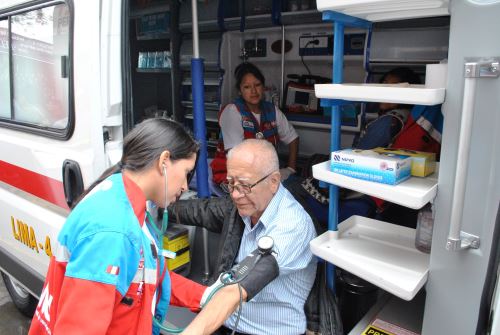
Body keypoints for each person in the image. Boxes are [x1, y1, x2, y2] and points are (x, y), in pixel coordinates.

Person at [28, 118, 249, 335]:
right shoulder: (113, 230)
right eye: (185, 172)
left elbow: (150, 275)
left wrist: (206, 295)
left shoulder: (118, 196)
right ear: (164, 161)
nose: (184, 185)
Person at [171, 139, 317, 335]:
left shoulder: (293, 224)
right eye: (230, 184)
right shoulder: (247, 206)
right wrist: (160, 205)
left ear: (274, 181)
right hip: (226, 322)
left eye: (245, 186)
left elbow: (238, 288)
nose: (236, 195)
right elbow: (202, 210)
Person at [210, 62, 299, 185]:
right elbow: (236, 157)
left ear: (263, 87)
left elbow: (293, 138)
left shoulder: (272, 110)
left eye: (257, 85)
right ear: (240, 91)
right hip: (232, 176)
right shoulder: (233, 112)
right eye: (247, 87)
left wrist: (290, 169)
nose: (253, 91)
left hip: (264, 174)